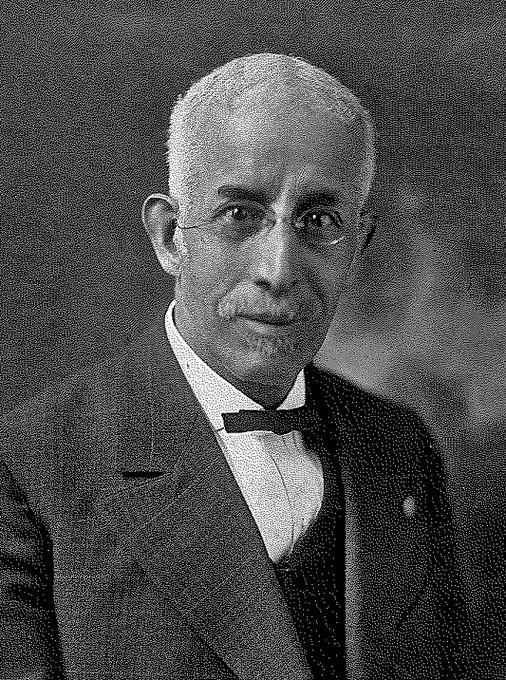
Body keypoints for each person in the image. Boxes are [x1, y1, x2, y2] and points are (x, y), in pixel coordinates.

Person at [0, 53, 475, 679]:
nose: (278, 271)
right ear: (170, 236)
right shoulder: (33, 464)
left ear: (358, 245)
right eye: (241, 215)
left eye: (319, 221)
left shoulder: (398, 445)